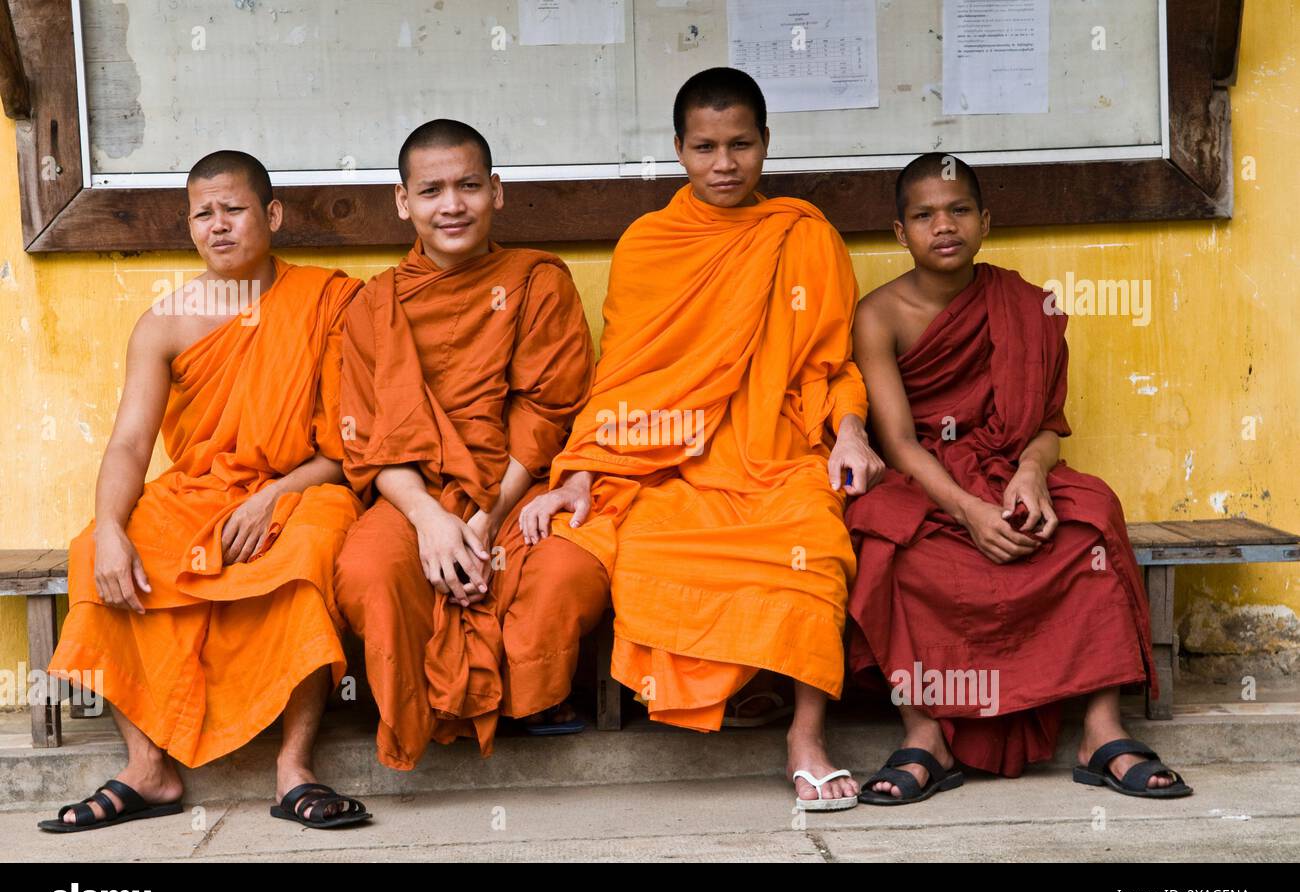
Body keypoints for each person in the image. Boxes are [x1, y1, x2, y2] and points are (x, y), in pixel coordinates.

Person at [519, 68, 881, 811]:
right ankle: (738, 683)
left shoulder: (803, 235)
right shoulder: (650, 243)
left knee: (814, 546)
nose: (725, 164)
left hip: (777, 449)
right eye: (706, 146)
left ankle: (806, 735)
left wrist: (849, 432)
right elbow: (622, 372)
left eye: (741, 144)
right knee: (646, 547)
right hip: (670, 458)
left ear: (766, 144)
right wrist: (583, 468)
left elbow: (831, 362)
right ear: (679, 149)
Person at [846, 152, 1192, 804]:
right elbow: (894, 442)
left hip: (1009, 468)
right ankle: (925, 733)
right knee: (888, 543)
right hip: (925, 477)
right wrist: (967, 512)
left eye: (959, 210)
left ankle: (1100, 730)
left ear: (985, 221)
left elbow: (1046, 423)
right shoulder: (879, 314)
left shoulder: (1028, 304)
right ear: (900, 232)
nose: (943, 226)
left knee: (1089, 519)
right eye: (924, 215)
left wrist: (1030, 474)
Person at [41, 151, 371, 832]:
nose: (218, 225)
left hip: (305, 486)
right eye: (203, 214)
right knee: (91, 552)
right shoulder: (165, 323)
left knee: (310, 552)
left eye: (234, 209)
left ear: (271, 215)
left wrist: (275, 494)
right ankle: (147, 766)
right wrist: (109, 525)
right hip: (200, 491)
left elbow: (352, 447)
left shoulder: (328, 301)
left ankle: (294, 766)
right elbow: (131, 444)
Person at [333, 120, 606, 770]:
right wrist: (431, 522)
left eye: (468, 186)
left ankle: (526, 696)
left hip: (519, 489)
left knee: (571, 571)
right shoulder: (375, 306)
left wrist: (483, 519)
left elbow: (546, 415)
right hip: (410, 495)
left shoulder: (538, 282)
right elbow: (368, 438)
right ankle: (422, 707)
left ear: (497, 191)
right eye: (431, 190)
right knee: (370, 569)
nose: (451, 204)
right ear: (404, 201)